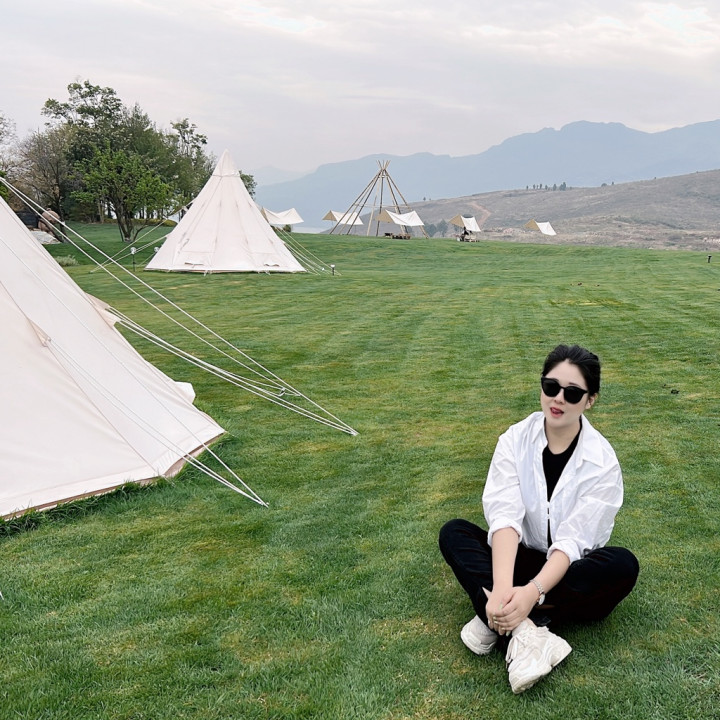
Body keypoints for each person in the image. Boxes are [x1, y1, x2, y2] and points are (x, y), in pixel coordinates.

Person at [438, 344, 639, 694]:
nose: (558, 398)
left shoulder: (602, 461)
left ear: (590, 400)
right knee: (454, 532)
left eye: (572, 393)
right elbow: (505, 516)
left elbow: (572, 541)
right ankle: (526, 632)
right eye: (551, 386)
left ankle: (496, 613)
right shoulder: (515, 439)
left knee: (622, 565)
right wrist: (505, 588)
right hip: (521, 558)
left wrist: (532, 593)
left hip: (568, 571)